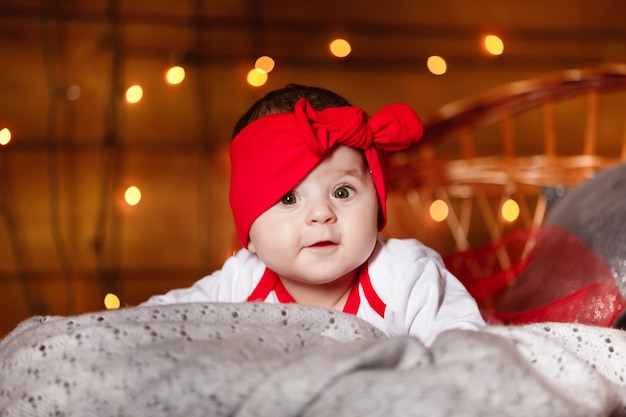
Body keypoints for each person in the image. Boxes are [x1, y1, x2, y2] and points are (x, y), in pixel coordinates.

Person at [142, 84, 485, 346]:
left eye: (342, 192)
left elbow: (465, 353)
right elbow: (154, 323)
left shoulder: (404, 276)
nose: (321, 214)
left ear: (378, 205)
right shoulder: (240, 285)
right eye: (289, 198)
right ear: (250, 233)